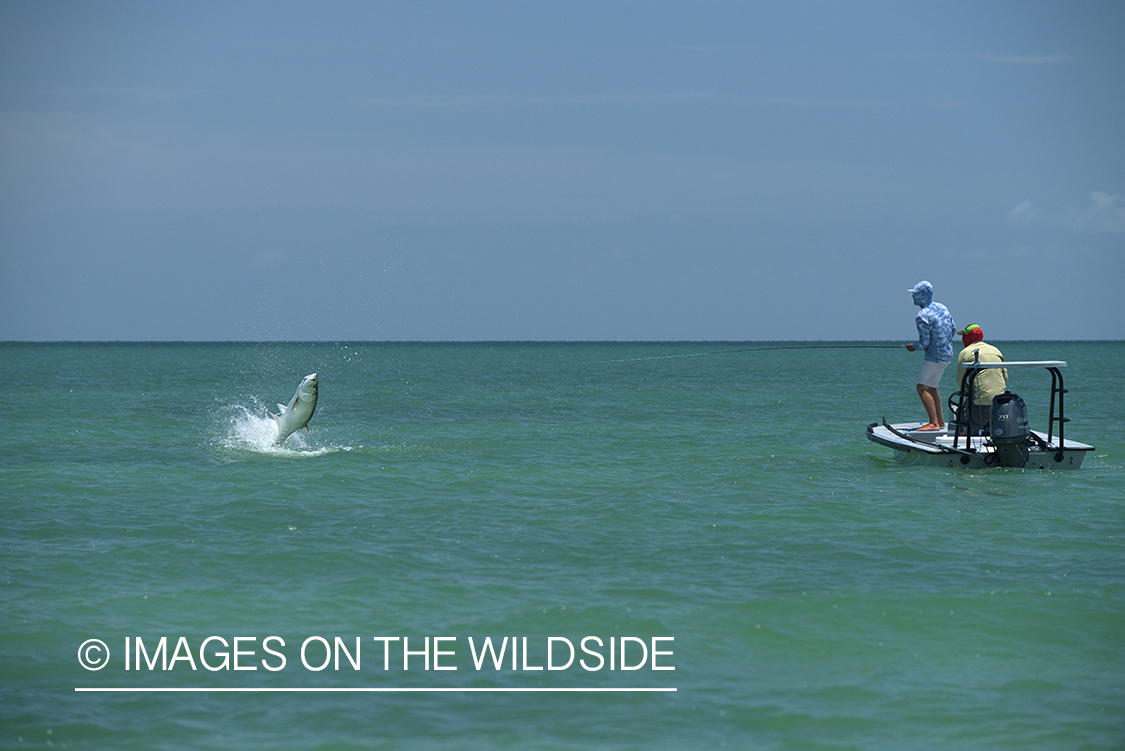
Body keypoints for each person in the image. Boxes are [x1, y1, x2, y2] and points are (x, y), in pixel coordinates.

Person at [905, 281, 955, 431]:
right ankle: (939, 422)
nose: (913, 296)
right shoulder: (942, 307)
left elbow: (924, 343)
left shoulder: (922, 316)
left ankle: (933, 423)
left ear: (921, 296)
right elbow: (953, 330)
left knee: (921, 387)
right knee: (932, 387)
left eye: (915, 294)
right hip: (948, 354)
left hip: (934, 357)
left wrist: (913, 347)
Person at [954, 324, 1007, 435]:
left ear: (967, 337)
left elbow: (961, 381)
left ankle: (963, 439)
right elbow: (1005, 377)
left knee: (964, 425)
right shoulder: (995, 350)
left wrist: (969, 391)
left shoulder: (965, 353)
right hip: (1001, 400)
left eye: (963, 336)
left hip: (980, 402)